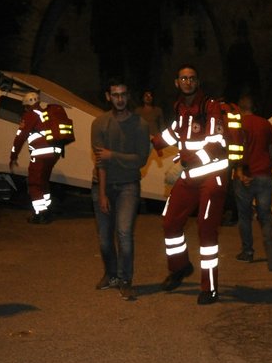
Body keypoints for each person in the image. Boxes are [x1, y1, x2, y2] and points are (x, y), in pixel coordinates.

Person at [156, 65, 230, 305]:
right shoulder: (181, 107)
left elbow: (216, 143)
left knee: (206, 229)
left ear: (197, 82)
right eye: (183, 78)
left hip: (211, 176)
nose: (187, 82)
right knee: (170, 221)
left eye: (192, 78)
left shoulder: (210, 107)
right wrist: (151, 143)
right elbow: (176, 132)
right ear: (176, 82)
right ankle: (180, 267)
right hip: (189, 175)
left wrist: (185, 163)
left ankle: (209, 287)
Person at [92, 77, 151, 299]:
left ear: (128, 96)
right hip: (102, 184)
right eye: (115, 95)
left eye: (123, 95)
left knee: (124, 232)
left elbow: (141, 159)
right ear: (109, 96)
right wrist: (103, 193)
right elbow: (101, 162)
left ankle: (126, 279)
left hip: (128, 186)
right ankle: (111, 274)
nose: (119, 99)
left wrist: (113, 155)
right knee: (105, 237)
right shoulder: (99, 123)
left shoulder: (140, 125)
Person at [231, 95, 272, 271]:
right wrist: (267, 168)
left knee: (244, 216)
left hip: (243, 176)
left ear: (240, 108)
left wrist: (240, 171)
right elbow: (271, 151)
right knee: (265, 216)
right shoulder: (265, 124)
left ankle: (247, 252)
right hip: (263, 175)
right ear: (254, 107)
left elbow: (235, 150)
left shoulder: (237, 125)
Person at [9, 90, 73, 224]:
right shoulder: (46, 113)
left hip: (41, 153)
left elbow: (20, 137)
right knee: (43, 181)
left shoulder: (30, 115)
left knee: (34, 182)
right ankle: (47, 209)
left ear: (26, 105)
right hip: (54, 152)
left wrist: (13, 156)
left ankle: (40, 214)